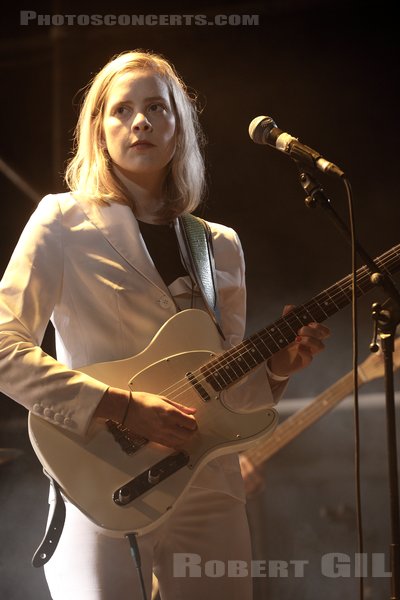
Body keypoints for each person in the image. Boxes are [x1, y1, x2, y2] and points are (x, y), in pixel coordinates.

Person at [0, 50, 330, 600]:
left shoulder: (219, 244)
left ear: (180, 128)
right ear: (98, 130)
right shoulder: (62, 221)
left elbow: (228, 390)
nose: (141, 121)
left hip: (208, 484)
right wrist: (121, 407)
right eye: (122, 110)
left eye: (158, 107)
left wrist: (276, 369)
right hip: (103, 476)